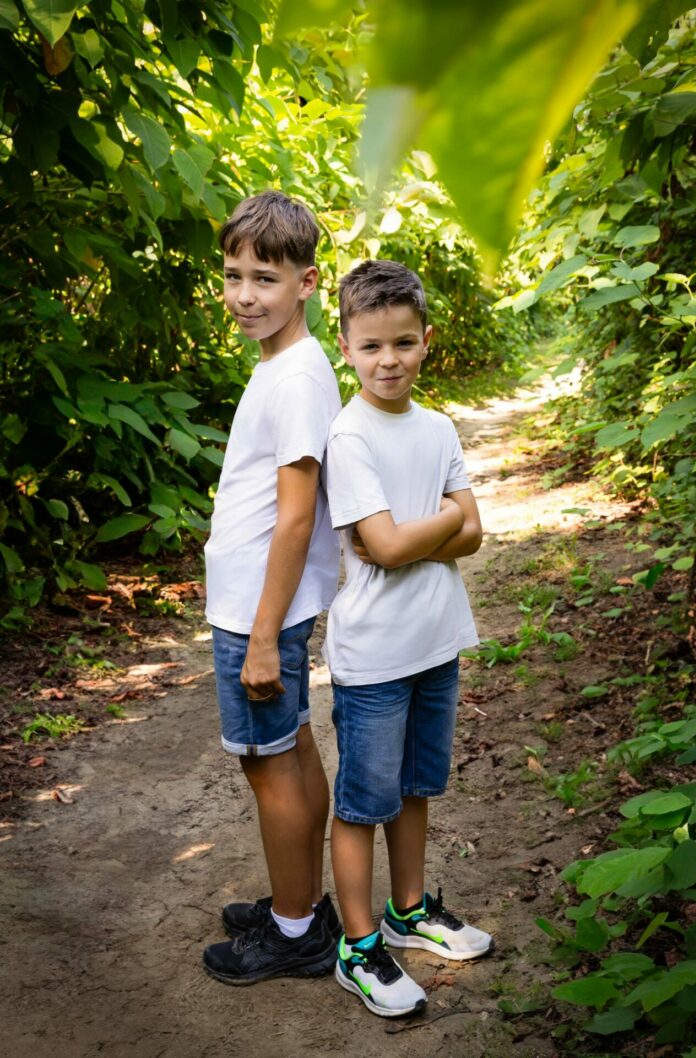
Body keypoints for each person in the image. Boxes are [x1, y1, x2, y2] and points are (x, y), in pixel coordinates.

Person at [323, 259, 493, 1017]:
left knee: (417, 788)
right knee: (363, 801)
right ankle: (358, 945)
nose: (387, 360)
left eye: (401, 343)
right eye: (370, 346)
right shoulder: (349, 434)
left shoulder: (438, 428)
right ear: (346, 346)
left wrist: (427, 529)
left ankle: (408, 908)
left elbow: (474, 533)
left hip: (434, 642)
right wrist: (443, 521)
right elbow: (385, 549)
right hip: (374, 658)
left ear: (425, 341)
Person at [202, 190, 342, 986]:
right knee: (288, 748)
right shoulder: (290, 363)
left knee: (268, 765)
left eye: (265, 277)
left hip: (261, 610)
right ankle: (303, 904)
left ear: (307, 283)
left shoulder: (294, 377)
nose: (246, 295)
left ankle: (294, 932)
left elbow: (295, 520)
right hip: (264, 602)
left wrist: (261, 635)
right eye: (233, 275)